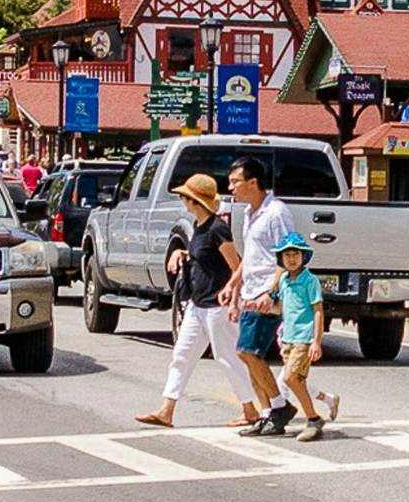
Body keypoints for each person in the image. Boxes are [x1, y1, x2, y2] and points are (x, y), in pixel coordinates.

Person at [132, 172, 254, 428]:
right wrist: (182, 252)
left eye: (184, 196)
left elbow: (236, 264)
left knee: (227, 357)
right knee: (182, 356)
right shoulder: (200, 227)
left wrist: (233, 300)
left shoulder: (217, 228)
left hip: (217, 305)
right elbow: (204, 255)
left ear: (194, 200)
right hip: (198, 305)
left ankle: (250, 409)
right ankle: (166, 410)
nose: (181, 199)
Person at [226, 155, 301, 435]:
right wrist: (233, 283)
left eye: (236, 182)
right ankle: (268, 412)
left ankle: (280, 406)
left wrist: (273, 293)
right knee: (249, 355)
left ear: (253, 182)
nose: (231, 188)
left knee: (247, 351)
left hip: (267, 293)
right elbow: (252, 255)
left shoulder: (276, 213)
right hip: (250, 291)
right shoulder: (250, 213)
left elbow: (288, 254)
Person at [274, 237, 333, 440]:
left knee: (290, 377)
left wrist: (316, 341)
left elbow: (318, 310)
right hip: (288, 337)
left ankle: (313, 418)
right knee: (297, 380)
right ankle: (315, 416)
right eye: (287, 255)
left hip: (304, 337)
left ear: (303, 256)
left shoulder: (310, 280)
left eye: (296, 254)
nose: (292, 259)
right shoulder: (284, 280)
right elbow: (283, 308)